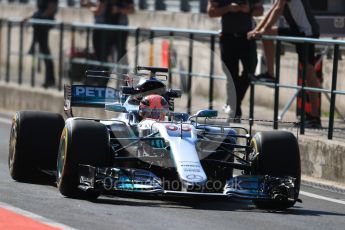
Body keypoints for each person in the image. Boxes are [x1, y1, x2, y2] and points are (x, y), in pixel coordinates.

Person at [247, 0, 321, 128]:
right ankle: (270, 73)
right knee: (267, 33)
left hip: (307, 32)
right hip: (297, 30)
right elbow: (272, 10)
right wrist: (257, 30)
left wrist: (261, 30)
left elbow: (278, 10)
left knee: (309, 74)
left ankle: (315, 117)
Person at [207, 0, 264, 122]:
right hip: (227, 38)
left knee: (250, 71)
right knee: (231, 75)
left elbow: (261, 10)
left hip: (247, 38)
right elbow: (211, 12)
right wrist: (228, 8)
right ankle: (235, 112)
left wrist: (248, 9)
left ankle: (232, 104)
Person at [28, 0, 58, 88]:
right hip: (40, 21)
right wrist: (29, 17)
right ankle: (50, 79)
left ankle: (49, 80)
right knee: (45, 51)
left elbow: (52, 8)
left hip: (45, 21)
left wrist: (42, 17)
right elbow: (38, 12)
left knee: (45, 51)